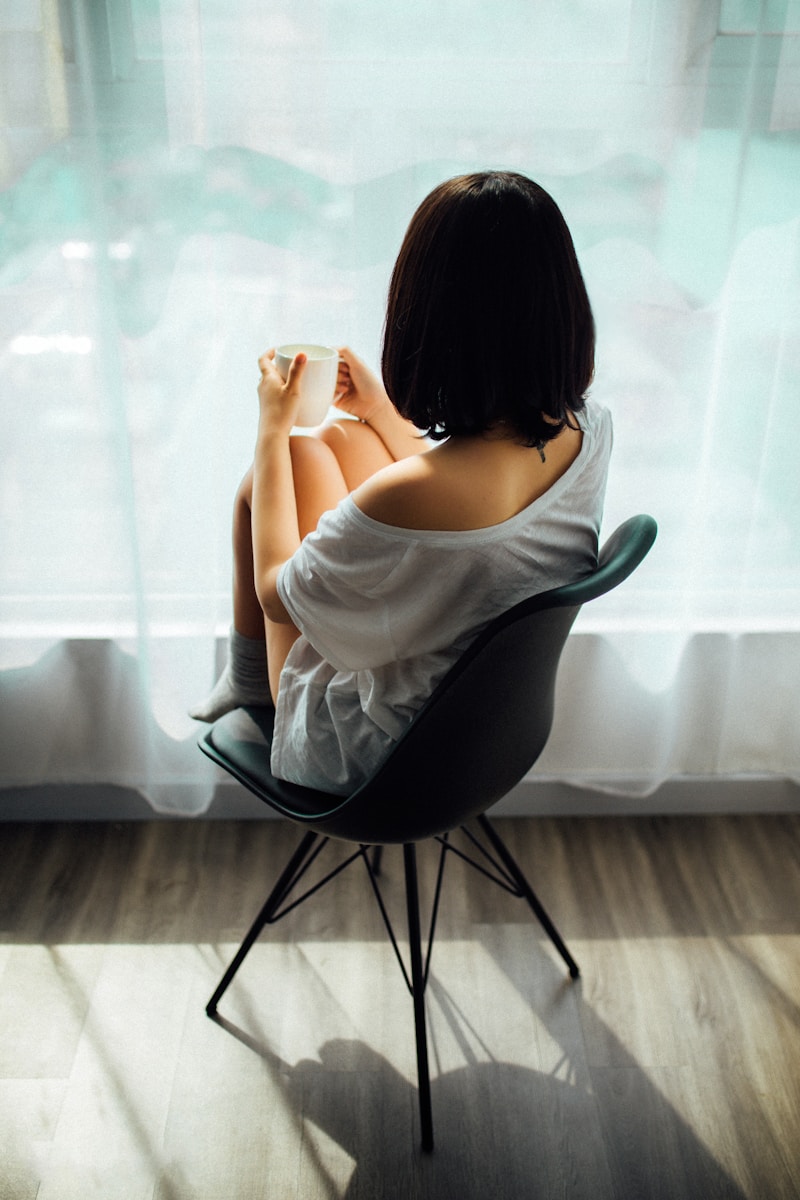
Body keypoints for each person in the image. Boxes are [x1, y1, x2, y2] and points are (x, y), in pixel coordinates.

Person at [190, 170, 612, 794]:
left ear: (432, 324)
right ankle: (245, 675)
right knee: (346, 438)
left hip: (376, 749)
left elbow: (277, 593)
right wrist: (380, 414)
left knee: (296, 459)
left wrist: (271, 430)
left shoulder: (411, 494)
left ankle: (249, 678)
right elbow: (458, 498)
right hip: (484, 723)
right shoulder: (590, 428)